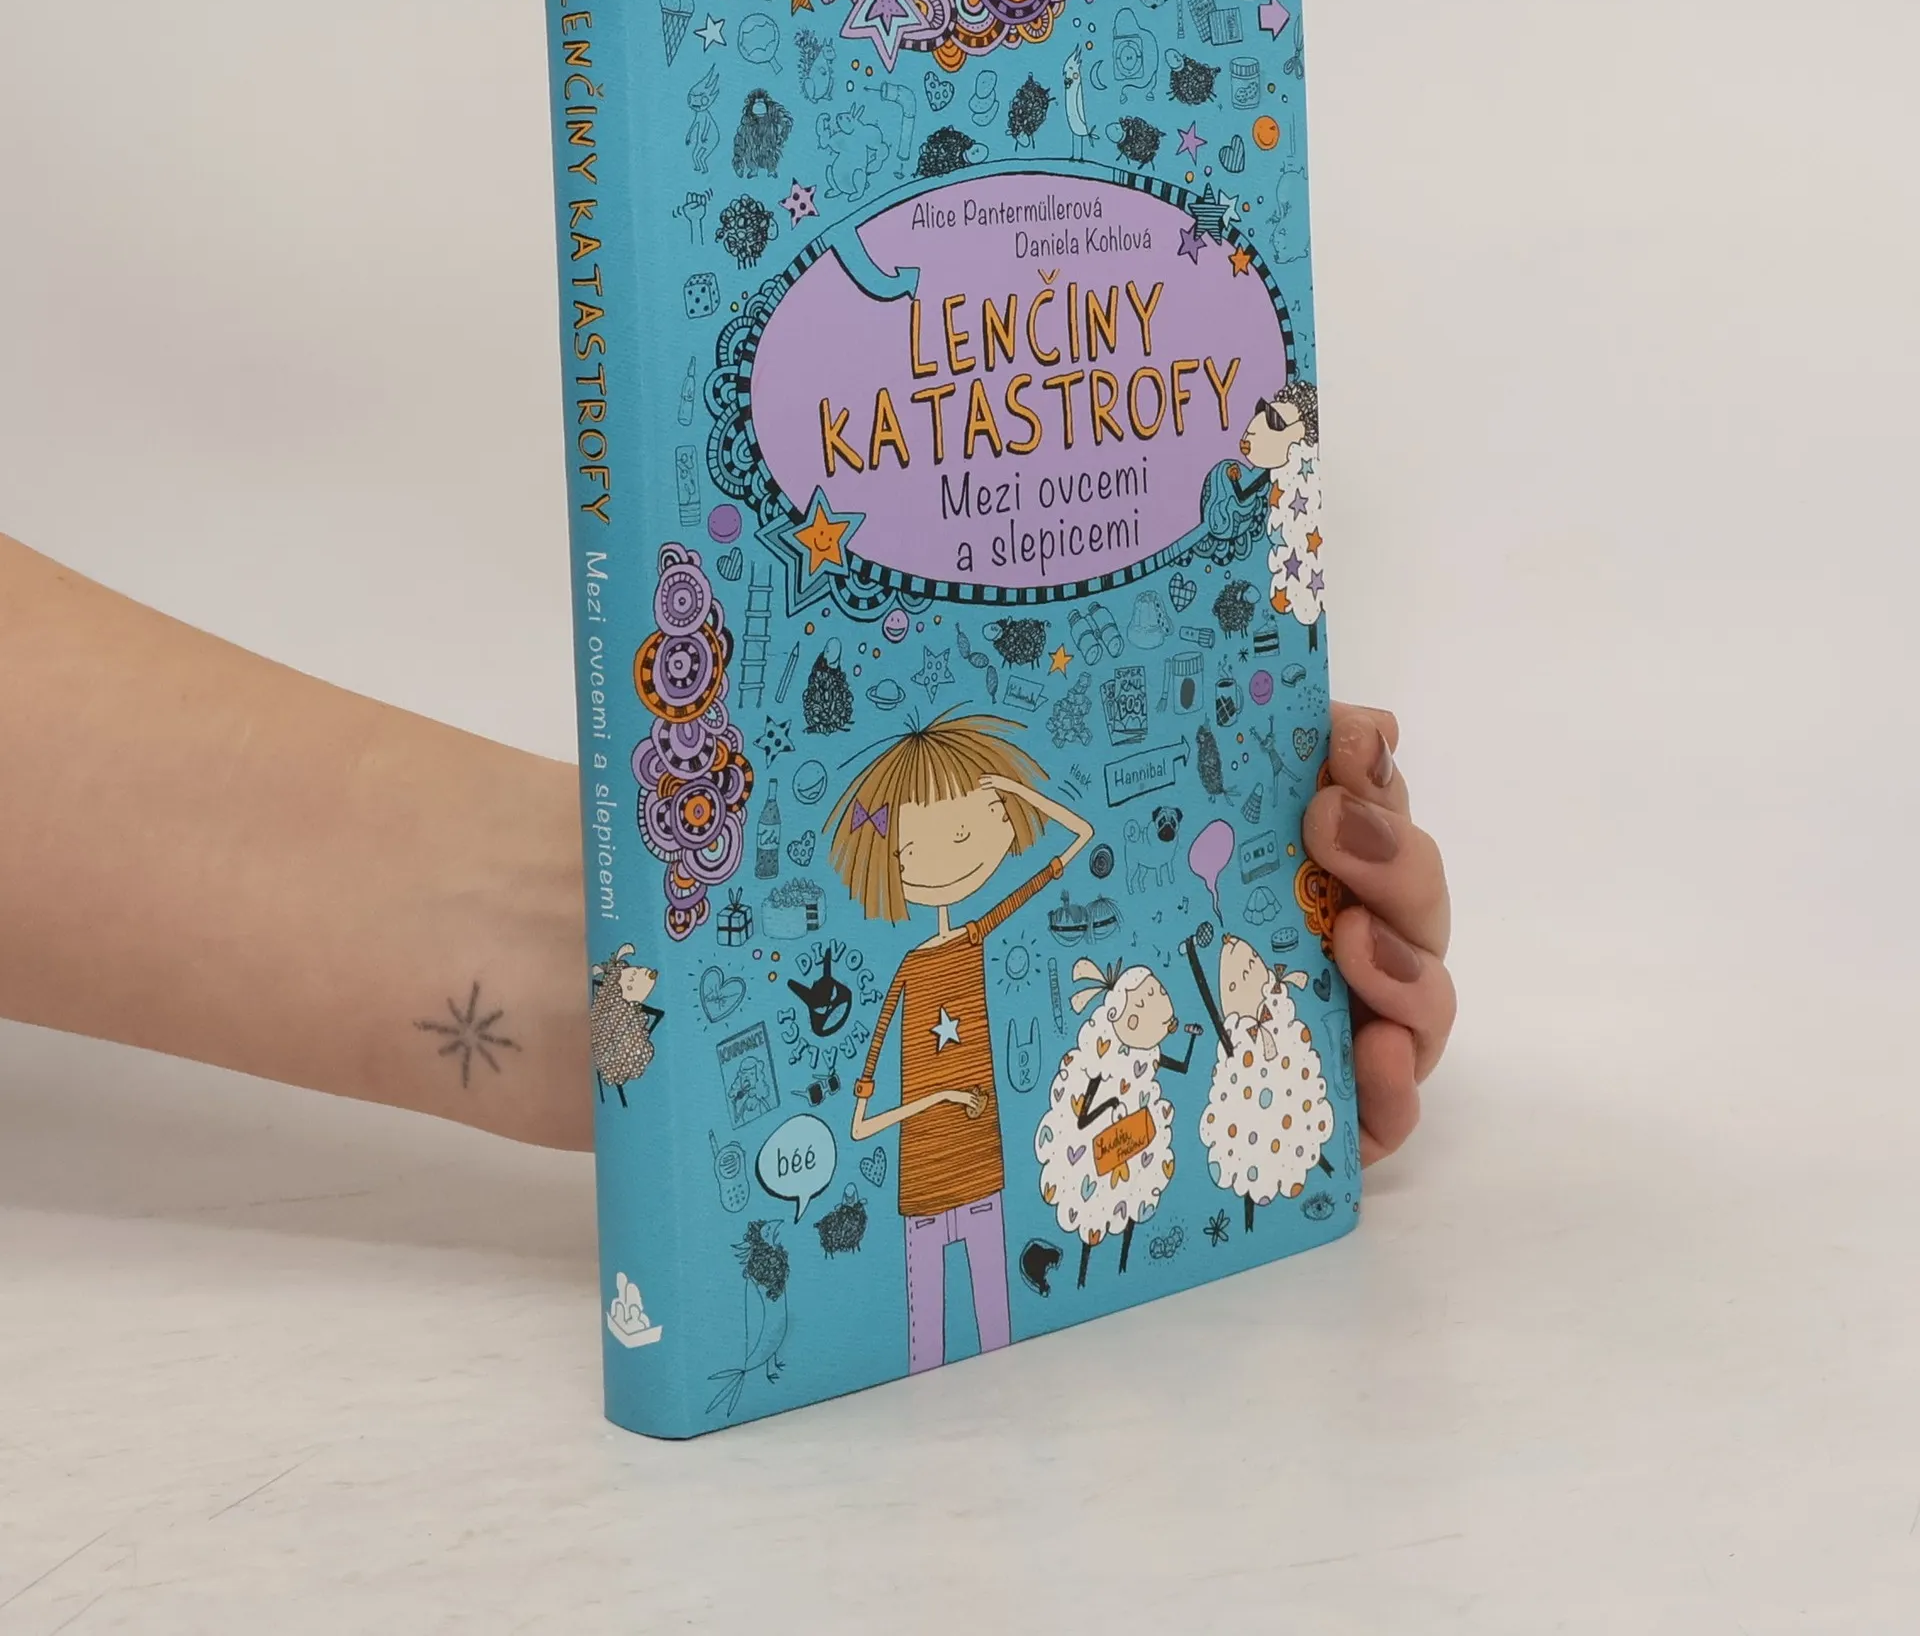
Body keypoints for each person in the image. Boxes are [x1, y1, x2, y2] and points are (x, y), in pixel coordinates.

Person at [0, 531, 1456, 1170]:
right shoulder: (918, 967)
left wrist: (599, 913)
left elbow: (1052, 859)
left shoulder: (951, 937)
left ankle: (614, 950)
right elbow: (876, 1086)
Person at [829, 713, 1091, 1372]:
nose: (950, 855)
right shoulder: (907, 971)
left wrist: (1017, 791)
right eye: (915, 848)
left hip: (981, 1169)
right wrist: (938, 1097)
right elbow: (861, 1122)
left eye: (969, 830)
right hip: (923, 1181)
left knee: (998, 1336)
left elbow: (1081, 835)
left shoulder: (977, 933)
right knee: (924, 1354)